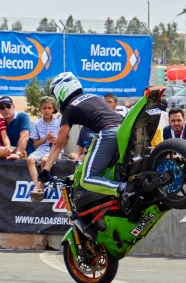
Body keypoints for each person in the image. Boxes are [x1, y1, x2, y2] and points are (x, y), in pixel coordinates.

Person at [39, 72, 129, 203]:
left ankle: (124, 189)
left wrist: (45, 170)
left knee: (87, 178)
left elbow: (59, 143)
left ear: (61, 90)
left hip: (108, 132)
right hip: (124, 131)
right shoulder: (93, 97)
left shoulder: (70, 108)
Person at [28, 97, 62, 196]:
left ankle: (41, 187)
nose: (46, 110)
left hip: (55, 149)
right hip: (42, 148)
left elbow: (64, 141)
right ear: (40, 109)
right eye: (44, 108)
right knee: (30, 159)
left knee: (44, 160)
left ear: (53, 109)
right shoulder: (37, 123)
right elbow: (35, 143)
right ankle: (37, 186)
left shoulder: (59, 123)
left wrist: (55, 140)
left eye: (49, 108)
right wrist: (46, 138)